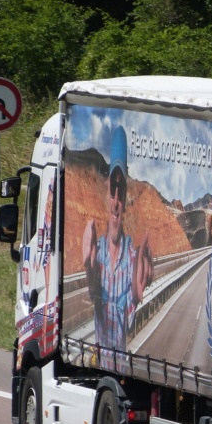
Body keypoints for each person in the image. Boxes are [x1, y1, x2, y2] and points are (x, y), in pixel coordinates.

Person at [83, 126, 153, 372]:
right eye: (112, 189)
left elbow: (135, 291)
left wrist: (141, 279)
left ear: (125, 198)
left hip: (121, 371)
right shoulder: (97, 251)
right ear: (107, 191)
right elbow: (92, 286)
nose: (115, 201)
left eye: (120, 192)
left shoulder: (132, 258)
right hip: (99, 367)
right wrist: (88, 267)